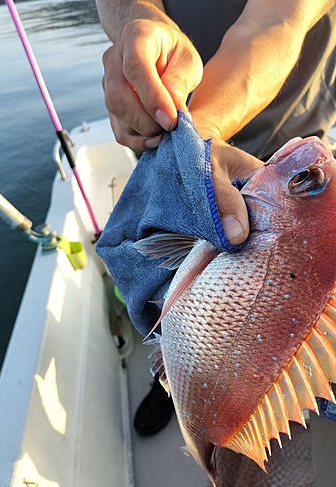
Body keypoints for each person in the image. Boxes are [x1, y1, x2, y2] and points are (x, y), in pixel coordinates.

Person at [95, 0, 336, 435]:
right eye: (310, 181)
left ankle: (241, 400)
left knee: (295, 329)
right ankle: (174, 376)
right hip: (171, 140)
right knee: (171, 305)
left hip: (271, 141)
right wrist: (140, 21)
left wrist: (194, 141)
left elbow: (276, 18)